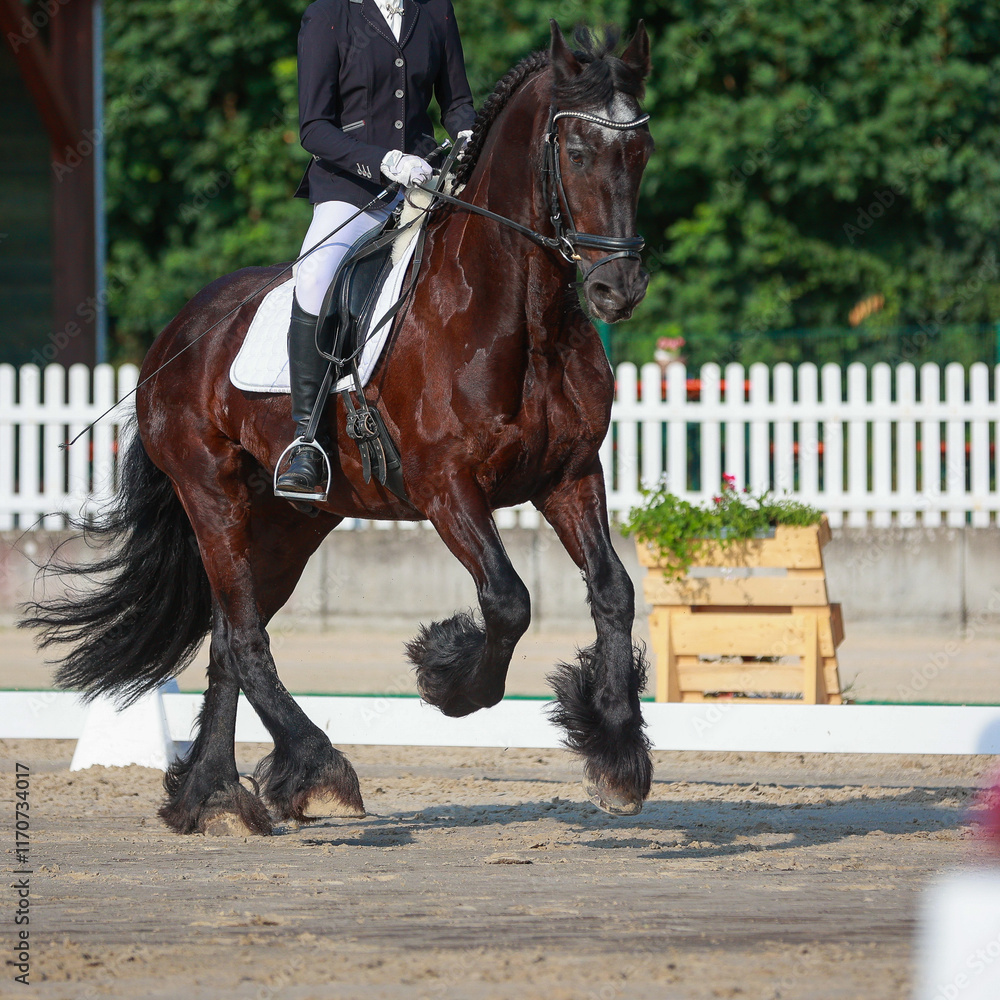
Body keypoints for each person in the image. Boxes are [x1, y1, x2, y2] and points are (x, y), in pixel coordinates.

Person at [276, 0, 477, 497]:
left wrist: (467, 135)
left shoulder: (435, 10)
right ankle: (306, 441)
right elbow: (314, 128)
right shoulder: (328, 14)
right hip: (352, 187)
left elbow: (456, 101)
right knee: (315, 275)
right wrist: (383, 160)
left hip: (425, 180)